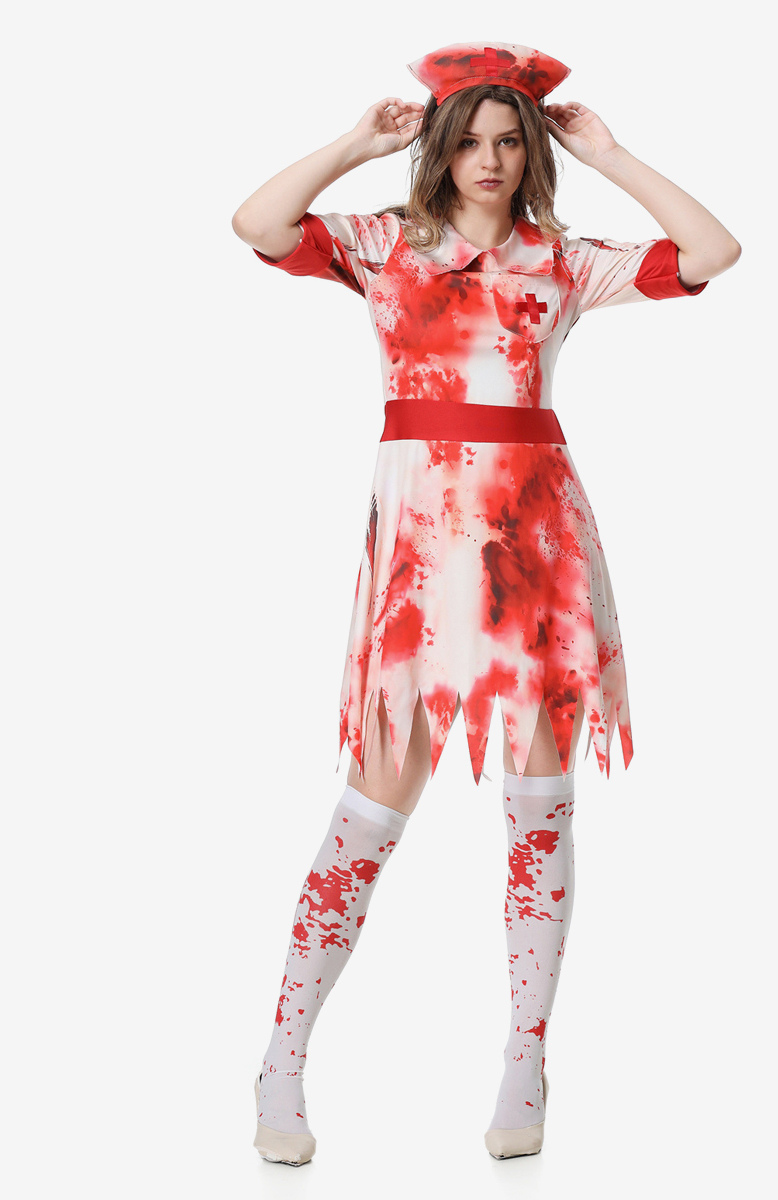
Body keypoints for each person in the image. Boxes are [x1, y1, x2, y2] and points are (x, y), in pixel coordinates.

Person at [231, 40, 741, 1165]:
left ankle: (526, 1057)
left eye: (510, 141)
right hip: (420, 567)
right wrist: (355, 145)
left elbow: (712, 252)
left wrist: (609, 156)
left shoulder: (561, 261)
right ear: (440, 149)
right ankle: (282, 1057)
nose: (492, 160)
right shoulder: (384, 247)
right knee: (370, 808)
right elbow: (258, 224)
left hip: (535, 552)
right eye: (469, 141)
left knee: (540, 806)